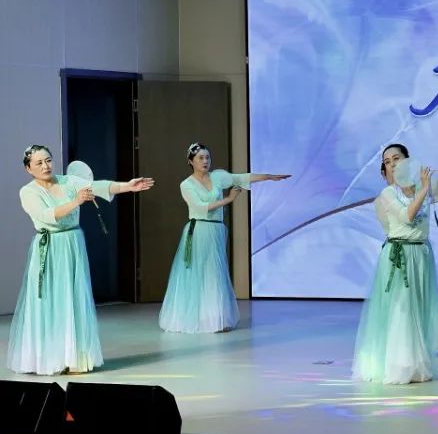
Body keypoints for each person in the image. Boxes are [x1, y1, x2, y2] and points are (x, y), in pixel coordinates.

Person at [8, 145, 154, 375]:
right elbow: (48, 215)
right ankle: (49, 358)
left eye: (48, 160)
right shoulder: (28, 192)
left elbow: (98, 186)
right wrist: (76, 201)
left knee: (73, 299)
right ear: (29, 168)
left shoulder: (68, 181)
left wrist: (127, 186)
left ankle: (75, 358)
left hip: (72, 244)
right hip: (50, 247)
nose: (46, 166)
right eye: (39, 163)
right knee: (51, 301)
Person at [352, 143, 438, 383]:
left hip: (421, 255)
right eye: (387, 162)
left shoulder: (420, 189)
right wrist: (425, 188)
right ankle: (399, 366)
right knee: (401, 310)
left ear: (408, 161)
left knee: (418, 309)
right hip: (400, 256)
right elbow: (407, 216)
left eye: (396, 158)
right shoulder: (388, 194)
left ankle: (415, 363)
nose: (392, 164)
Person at [159, 143, 289, 334]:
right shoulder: (186, 185)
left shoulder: (217, 177)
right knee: (199, 273)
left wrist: (268, 177)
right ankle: (196, 318)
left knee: (215, 273)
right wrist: (229, 199)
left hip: (216, 230)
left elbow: (241, 177)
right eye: (200, 158)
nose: (205, 161)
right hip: (199, 230)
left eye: (207, 157)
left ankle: (215, 318)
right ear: (191, 161)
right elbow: (200, 207)